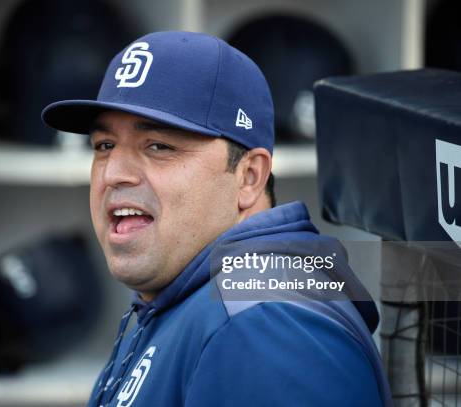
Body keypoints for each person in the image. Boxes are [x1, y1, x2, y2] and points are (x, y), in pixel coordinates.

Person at [41, 31, 392, 407]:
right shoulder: (189, 296)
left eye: (159, 146)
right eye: (104, 146)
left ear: (249, 177)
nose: (113, 174)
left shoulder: (265, 327)